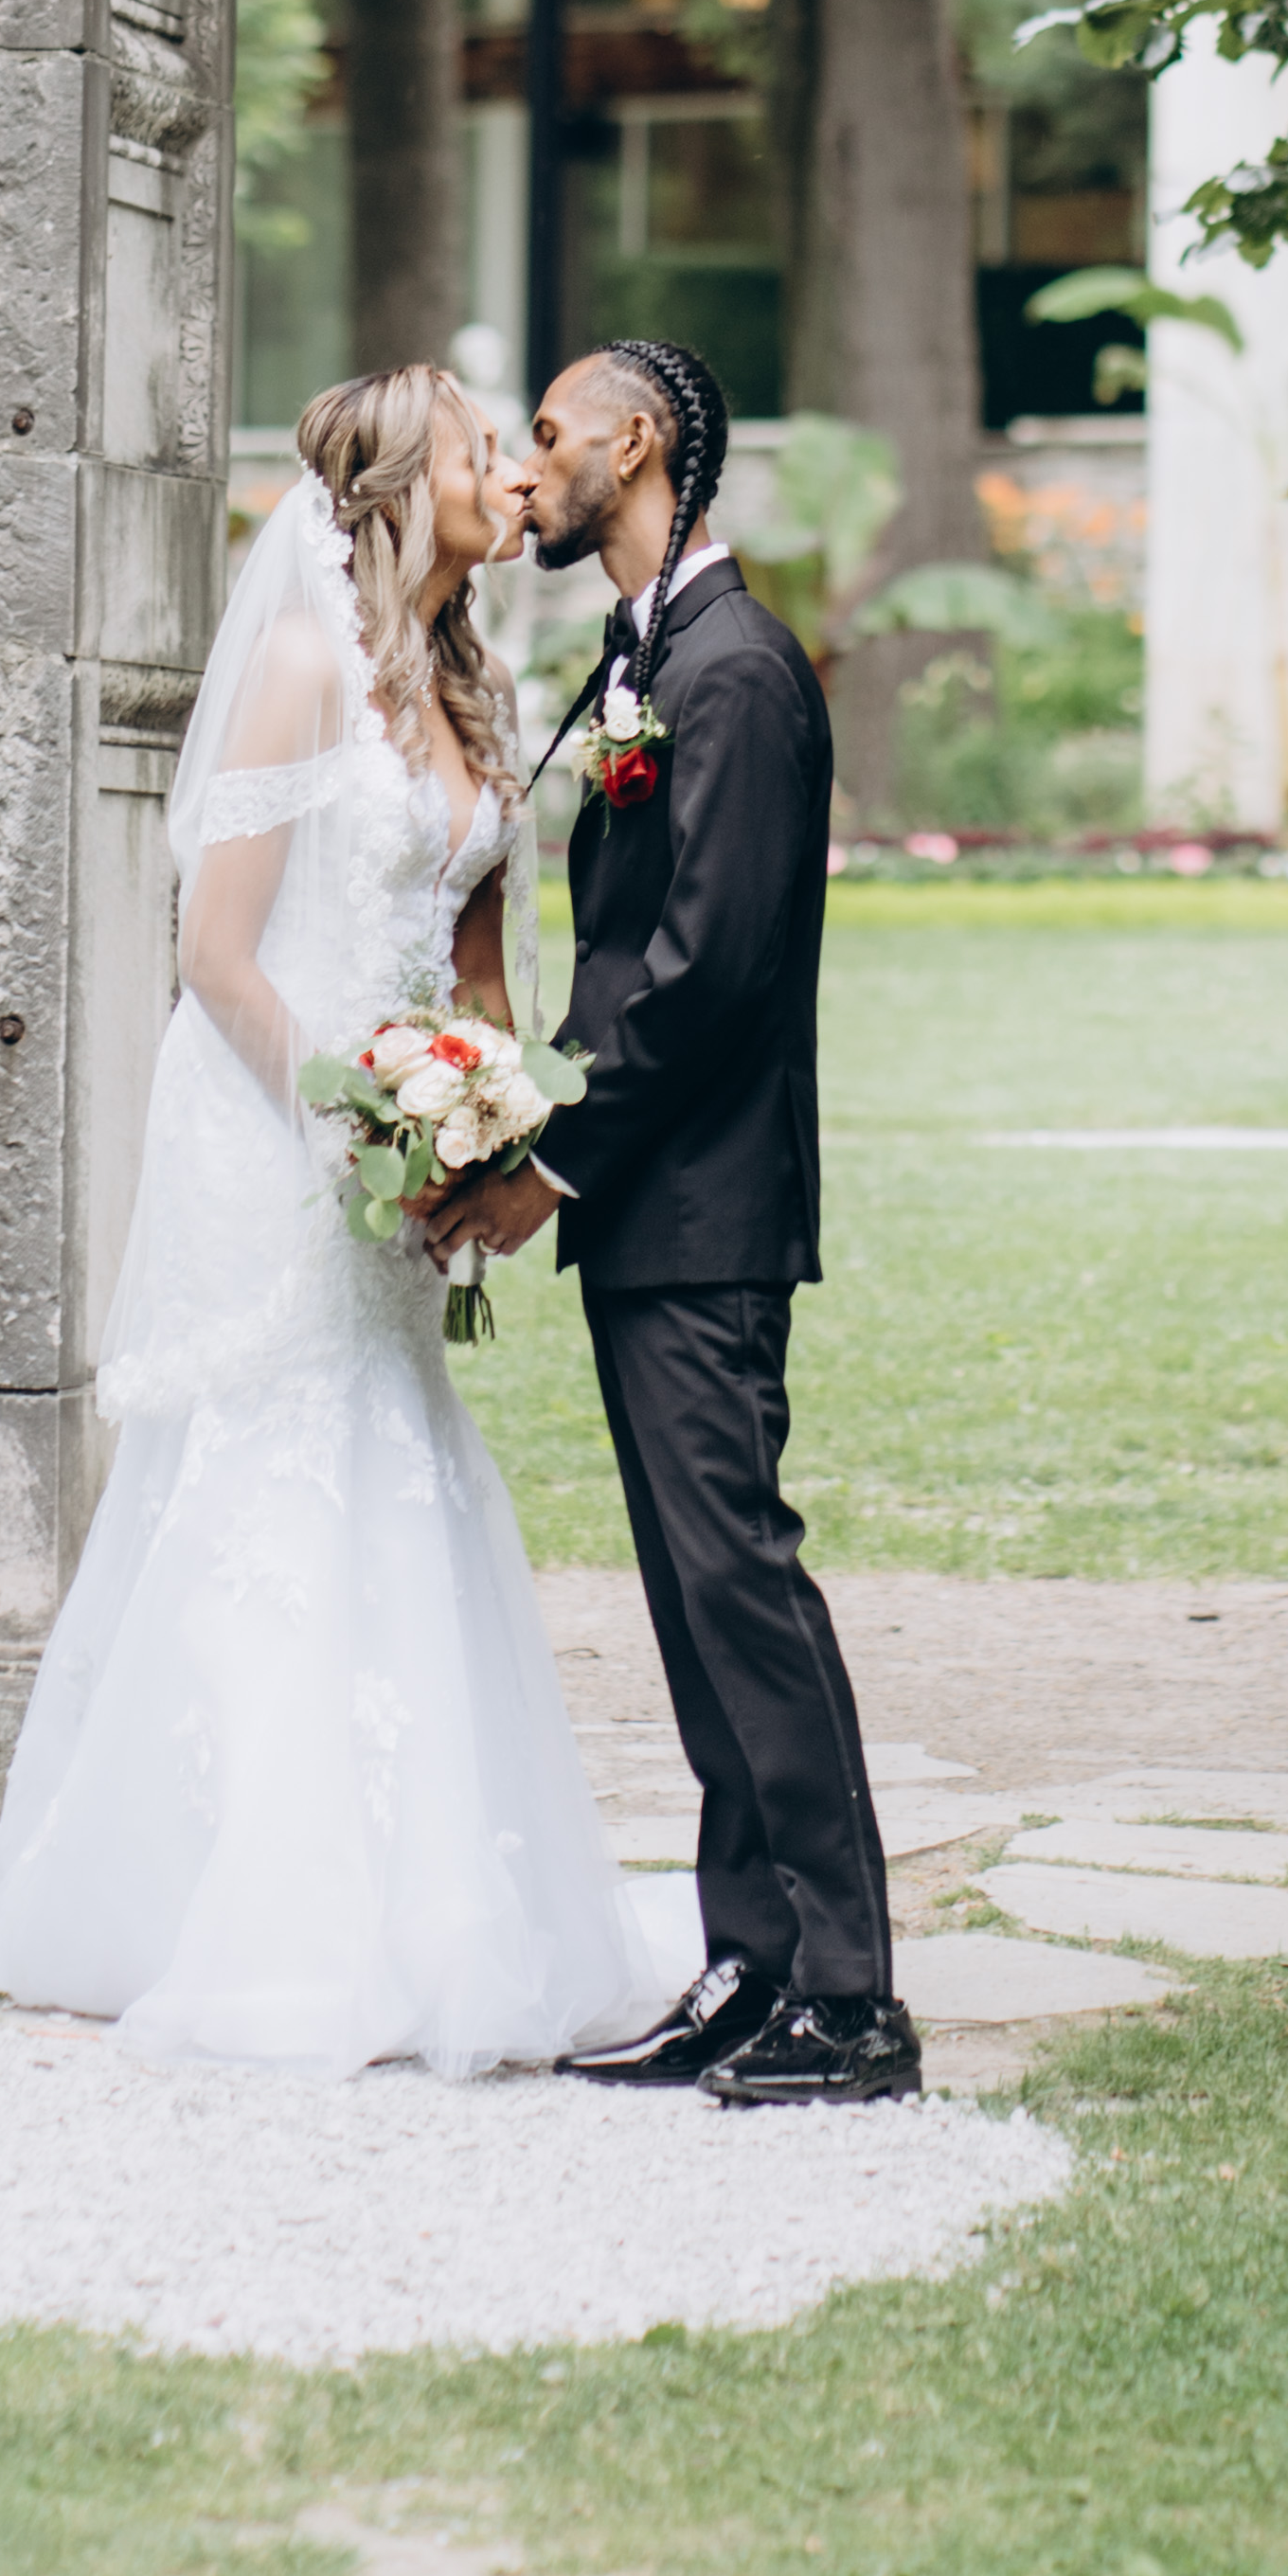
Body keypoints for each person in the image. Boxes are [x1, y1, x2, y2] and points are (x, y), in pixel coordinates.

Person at [0, 364, 649, 2075]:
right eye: (483, 448)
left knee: (395, 1455)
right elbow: (215, 954)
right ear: (407, 484)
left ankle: (436, 1901)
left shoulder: (474, 686)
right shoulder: (297, 664)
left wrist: (481, 1120)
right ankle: (253, 1907)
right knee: (278, 1467)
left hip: (404, 1146)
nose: (511, 472)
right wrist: (352, 1124)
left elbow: (477, 957)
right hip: (285, 1135)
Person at [440, 339, 921, 2109]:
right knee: (693, 1599)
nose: (531, 465)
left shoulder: (737, 670)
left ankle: (851, 2000)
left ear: (636, 444)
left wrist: (548, 1159)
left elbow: (710, 969)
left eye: (551, 434)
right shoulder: (650, 658)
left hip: (704, 1207)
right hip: (652, 1207)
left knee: (743, 1587)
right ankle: (752, 1966)